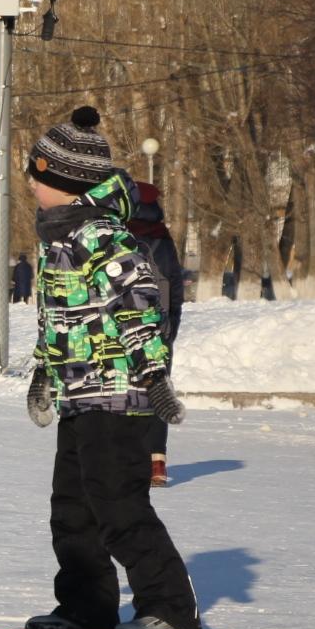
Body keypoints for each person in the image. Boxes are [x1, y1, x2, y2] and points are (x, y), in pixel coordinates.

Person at [22, 115, 198, 629]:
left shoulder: (101, 236)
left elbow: (140, 305)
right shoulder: (58, 240)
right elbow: (57, 318)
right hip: (79, 397)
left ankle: (169, 608)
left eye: (38, 173)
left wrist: (153, 372)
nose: (30, 180)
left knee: (119, 505)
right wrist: (43, 374)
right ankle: (86, 607)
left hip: (118, 398)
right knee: (72, 509)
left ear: (69, 183)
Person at [129, 178, 185, 486]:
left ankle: (129, 459)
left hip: (125, 324)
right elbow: (174, 283)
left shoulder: (118, 235)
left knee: (125, 392)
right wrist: (171, 325)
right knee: (157, 391)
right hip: (160, 326)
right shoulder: (163, 237)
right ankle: (157, 464)